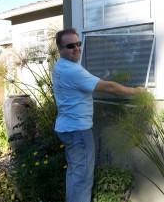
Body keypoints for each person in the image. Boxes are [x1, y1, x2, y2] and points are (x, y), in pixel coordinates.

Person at [52, 28, 145, 202]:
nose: (77, 48)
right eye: (70, 45)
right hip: (78, 130)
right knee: (82, 179)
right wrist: (136, 91)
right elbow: (109, 87)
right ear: (60, 49)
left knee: (74, 175)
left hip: (67, 128)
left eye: (78, 44)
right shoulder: (72, 71)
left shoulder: (60, 67)